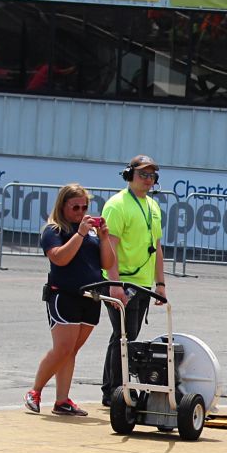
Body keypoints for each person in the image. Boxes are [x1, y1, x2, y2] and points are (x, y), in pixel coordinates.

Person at [26, 184, 103, 416]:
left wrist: (106, 237)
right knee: (62, 348)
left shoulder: (90, 232)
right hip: (65, 295)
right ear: (63, 206)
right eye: (75, 207)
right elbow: (60, 258)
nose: (80, 212)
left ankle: (62, 400)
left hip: (91, 296)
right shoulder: (54, 230)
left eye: (84, 207)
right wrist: (79, 234)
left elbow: (107, 263)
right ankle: (35, 390)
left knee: (71, 351)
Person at [98, 155, 167, 408]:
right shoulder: (117, 205)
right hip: (121, 280)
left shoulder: (153, 206)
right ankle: (115, 390)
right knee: (123, 336)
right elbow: (109, 247)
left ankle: (116, 386)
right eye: (143, 175)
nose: (148, 180)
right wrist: (114, 284)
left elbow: (157, 247)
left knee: (129, 335)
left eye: (152, 176)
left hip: (142, 283)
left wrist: (160, 285)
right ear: (130, 175)